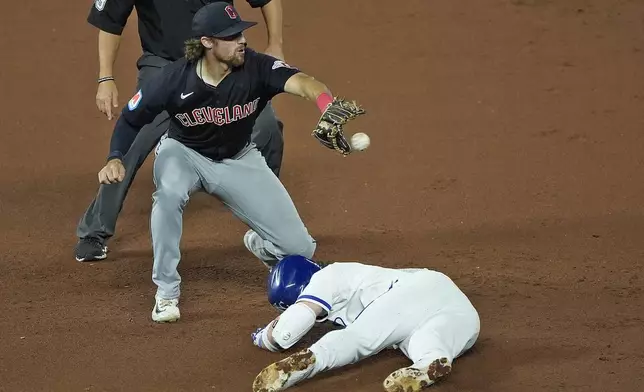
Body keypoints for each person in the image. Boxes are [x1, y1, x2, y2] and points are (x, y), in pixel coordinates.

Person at [94, 2, 365, 323]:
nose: (242, 41)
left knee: (301, 249)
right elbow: (129, 119)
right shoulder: (173, 78)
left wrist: (325, 103)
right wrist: (114, 157)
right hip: (183, 153)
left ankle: (259, 243)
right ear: (207, 43)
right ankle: (166, 292)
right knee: (167, 197)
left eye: (240, 33)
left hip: (238, 158)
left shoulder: (256, 67)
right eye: (230, 36)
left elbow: (304, 82)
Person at [75, 0, 287, 262]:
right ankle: (94, 231)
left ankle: (262, 207)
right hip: (164, 65)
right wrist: (105, 77)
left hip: (220, 63)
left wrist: (275, 42)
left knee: (267, 126)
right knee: (131, 143)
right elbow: (110, 21)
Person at [250, 256, 481, 392]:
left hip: (413, 292)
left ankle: (309, 363)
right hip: (462, 312)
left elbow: (286, 333)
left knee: (359, 338)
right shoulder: (349, 277)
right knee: (423, 340)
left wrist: (262, 337)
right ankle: (429, 363)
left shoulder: (326, 277)